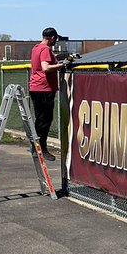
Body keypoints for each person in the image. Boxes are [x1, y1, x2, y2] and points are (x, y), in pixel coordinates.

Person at [29, 27, 72, 159]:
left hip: (35, 88)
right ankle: (41, 149)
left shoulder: (36, 48)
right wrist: (64, 64)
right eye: (55, 39)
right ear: (52, 37)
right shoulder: (45, 49)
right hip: (44, 89)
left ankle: (36, 147)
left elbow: (49, 60)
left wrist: (62, 57)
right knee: (45, 120)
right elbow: (46, 68)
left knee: (40, 119)